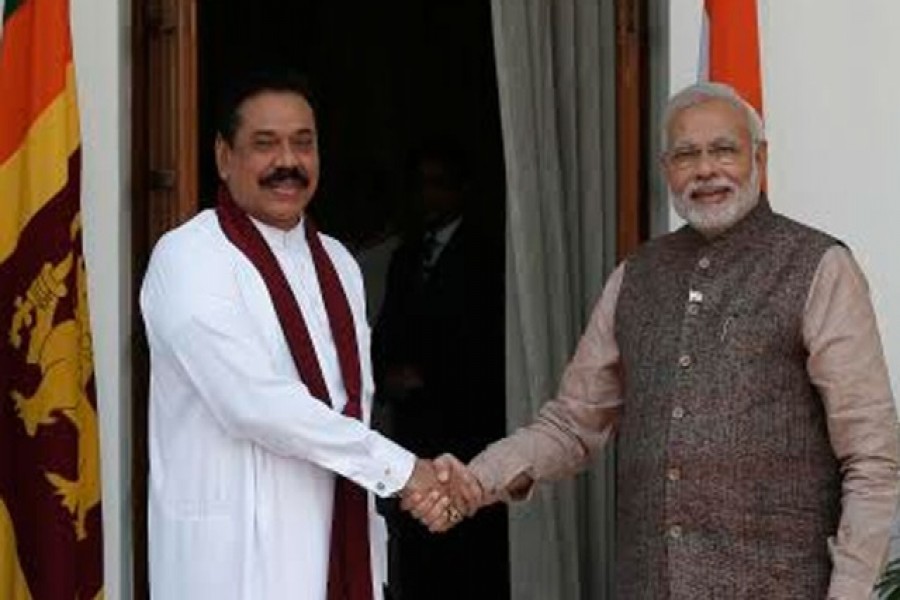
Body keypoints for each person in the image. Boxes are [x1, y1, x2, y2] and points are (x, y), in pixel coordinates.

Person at [413, 82, 900, 599]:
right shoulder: (637, 275)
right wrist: (478, 479)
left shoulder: (819, 267)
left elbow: (872, 458)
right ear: (667, 169)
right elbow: (573, 424)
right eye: (687, 154)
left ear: (759, 157)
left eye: (724, 150)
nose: (706, 169)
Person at [139, 68, 476, 600]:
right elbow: (254, 403)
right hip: (231, 568)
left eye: (303, 144)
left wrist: (408, 476)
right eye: (265, 145)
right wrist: (403, 470)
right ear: (224, 157)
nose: (288, 163)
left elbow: (351, 405)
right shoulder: (189, 257)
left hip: (339, 547)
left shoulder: (338, 263)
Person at [372, 140, 508, 599]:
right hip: (412, 432)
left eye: (440, 184)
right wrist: (387, 376)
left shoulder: (490, 257)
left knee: (468, 559)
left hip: (470, 429)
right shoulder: (406, 257)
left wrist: (435, 378)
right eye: (422, 186)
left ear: (462, 188)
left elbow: (492, 345)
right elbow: (384, 331)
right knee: (416, 555)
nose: (430, 196)